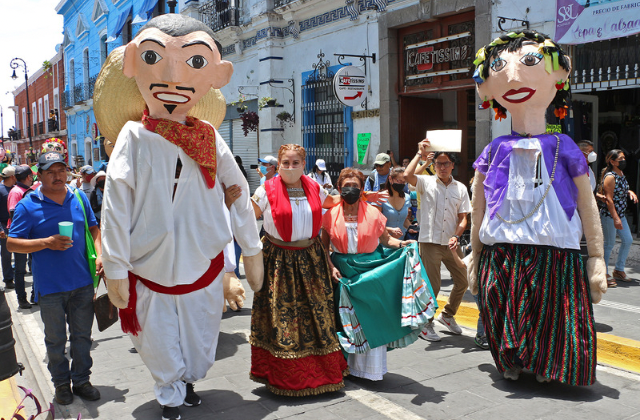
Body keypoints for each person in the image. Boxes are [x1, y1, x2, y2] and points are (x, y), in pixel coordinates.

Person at [95, 14, 263, 420]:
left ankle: (187, 380)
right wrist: (115, 263)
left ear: (216, 75)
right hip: (148, 262)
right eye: (156, 59)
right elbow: (116, 202)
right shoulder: (134, 137)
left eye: (194, 63)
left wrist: (251, 247)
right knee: (157, 337)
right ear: (137, 64)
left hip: (202, 259)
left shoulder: (208, 134)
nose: (172, 78)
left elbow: (237, 191)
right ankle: (169, 390)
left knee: (200, 334)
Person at [469, 30, 605, 385]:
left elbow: (587, 204)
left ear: (560, 74)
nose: (512, 76)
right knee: (501, 309)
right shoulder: (494, 150)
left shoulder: (565, 146)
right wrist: (475, 254)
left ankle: (548, 364)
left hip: (553, 253)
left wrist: (597, 258)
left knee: (551, 315)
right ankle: (511, 362)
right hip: (501, 252)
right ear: (486, 88)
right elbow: (478, 204)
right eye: (499, 67)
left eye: (529, 62)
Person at [250, 144, 349, 396]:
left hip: (311, 258)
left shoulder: (314, 187)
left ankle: (324, 374)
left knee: (318, 315)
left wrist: (359, 196)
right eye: (286, 163)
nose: (290, 168)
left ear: (304, 165)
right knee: (285, 319)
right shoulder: (265, 190)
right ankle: (286, 378)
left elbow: (334, 202)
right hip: (279, 261)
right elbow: (246, 215)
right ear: (278, 165)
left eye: (296, 163)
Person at [7, 151, 102, 405]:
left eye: (61, 170)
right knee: (56, 339)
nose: (57, 176)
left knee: (82, 336)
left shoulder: (78, 197)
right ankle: (61, 383)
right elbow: (12, 244)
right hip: (49, 287)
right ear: (39, 175)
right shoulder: (29, 204)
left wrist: (100, 254)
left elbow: (94, 228)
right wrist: (46, 243)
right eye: (50, 171)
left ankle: (81, 380)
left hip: (82, 282)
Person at [322, 168, 435, 381]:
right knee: (345, 319)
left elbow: (386, 241)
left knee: (370, 318)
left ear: (362, 189)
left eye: (355, 186)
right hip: (342, 272)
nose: (351, 190)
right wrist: (330, 267)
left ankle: (369, 370)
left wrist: (402, 243)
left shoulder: (373, 213)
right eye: (346, 186)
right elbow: (323, 247)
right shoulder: (330, 216)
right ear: (339, 189)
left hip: (369, 270)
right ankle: (345, 366)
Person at [404, 147, 471, 342]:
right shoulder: (425, 182)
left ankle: (448, 315)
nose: (442, 167)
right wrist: (419, 154)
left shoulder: (460, 188)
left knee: (463, 281)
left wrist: (457, 236)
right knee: (433, 286)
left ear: (452, 165)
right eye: (439, 163)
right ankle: (427, 323)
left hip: (451, 243)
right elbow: (408, 175)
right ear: (434, 165)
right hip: (430, 241)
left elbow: (463, 218)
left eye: (446, 163)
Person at [600, 149, 637, 287]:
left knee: (628, 240)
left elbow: (620, 189)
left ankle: (619, 270)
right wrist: (615, 218)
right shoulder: (610, 176)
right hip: (610, 215)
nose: (623, 161)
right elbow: (609, 199)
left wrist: (630, 191)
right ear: (612, 161)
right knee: (609, 244)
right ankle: (603, 272)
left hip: (620, 214)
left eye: (624, 158)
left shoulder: (620, 174)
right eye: (620, 159)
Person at [7, 165, 36, 309]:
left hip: (32, 237)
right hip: (20, 238)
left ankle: (34, 294)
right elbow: (13, 214)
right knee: (20, 269)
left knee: (35, 265)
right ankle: (21, 298)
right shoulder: (16, 191)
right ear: (29, 177)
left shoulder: (27, 190)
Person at [379, 167, 411, 241]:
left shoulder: (407, 197)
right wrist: (390, 230)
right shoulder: (380, 198)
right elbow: (375, 223)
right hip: (384, 242)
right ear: (390, 179)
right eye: (399, 181)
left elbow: (404, 220)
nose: (402, 184)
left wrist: (411, 227)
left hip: (401, 242)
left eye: (404, 182)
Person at [0, 166, 16, 290]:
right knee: (6, 254)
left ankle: (17, 272)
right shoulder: (1, 190)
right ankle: (8, 278)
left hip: (15, 224)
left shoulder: (15, 189)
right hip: (4, 225)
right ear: (12, 176)